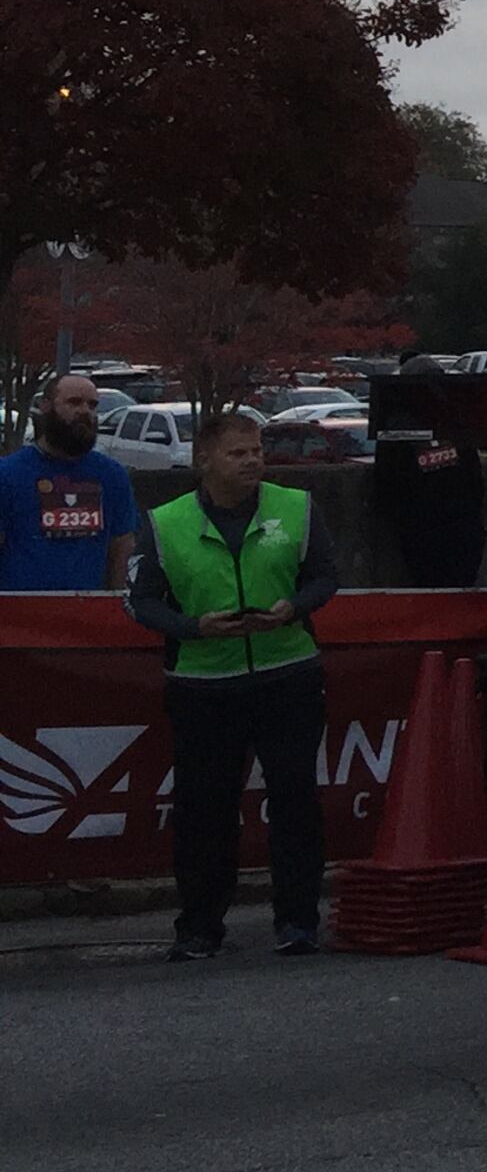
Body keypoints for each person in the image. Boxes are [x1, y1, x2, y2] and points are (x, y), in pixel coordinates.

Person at [130, 408, 339, 960]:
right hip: (203, 683)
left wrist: (294, 608)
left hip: (287, 673)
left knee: (294, 798)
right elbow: (141, 600)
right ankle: (199, 927)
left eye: (256, 452)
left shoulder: (296, 507)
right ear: (205, 460)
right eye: (237, 453)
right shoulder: (165, 522)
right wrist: (191, 628)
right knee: (204, 808)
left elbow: (325, 576)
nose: (251, 462)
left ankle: (297, 921)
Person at [1, 371, 142, 593]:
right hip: (21, 614)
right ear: (46, 406)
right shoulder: (8, 474)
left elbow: (121, 545)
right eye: (74, 402)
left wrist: (114, 605)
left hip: (87, 613)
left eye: (92, 405)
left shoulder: (112, 475)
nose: (85, 411)